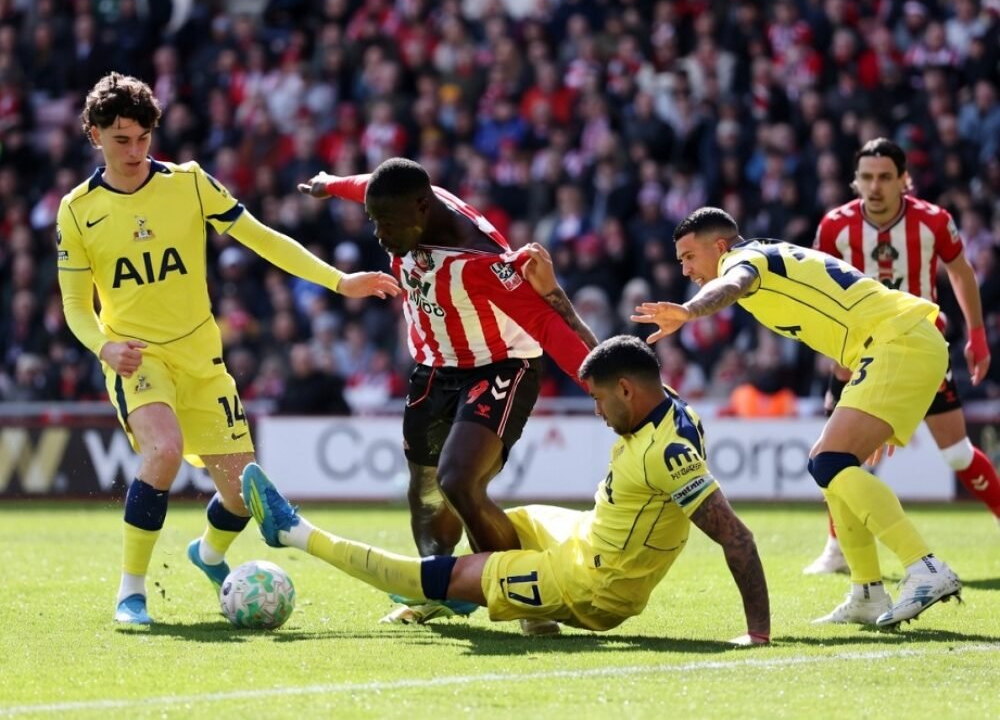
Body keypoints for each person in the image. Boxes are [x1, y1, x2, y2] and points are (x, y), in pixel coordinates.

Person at [56, 73, 400, 625]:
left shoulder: (189, 183)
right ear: (94, 134)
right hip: (139, 359)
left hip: (202, 358)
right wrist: (104, 346)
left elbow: (261, 237)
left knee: (241, 494)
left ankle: (208, 554)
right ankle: (131, 592)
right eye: (120, 139)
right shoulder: (76, 211)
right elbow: (75, 305)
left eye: (143, 137)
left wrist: (341, 281)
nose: (134, 151)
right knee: (163, 451)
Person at [240, 334, 771, 644]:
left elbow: (736, 537)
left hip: (596, 586)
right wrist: (557, 296)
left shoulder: (667, 454)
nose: (596, 411)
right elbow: (611, 355)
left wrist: (758, 636)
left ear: (627, 391)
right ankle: (473, 598)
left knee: (437, 574)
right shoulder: (670, 403)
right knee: (501, 516)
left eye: (598, 400)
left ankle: (294, 533)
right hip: (585, 536)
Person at [298, 159, 597, 630]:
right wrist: (329, 184)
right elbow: (368, 188)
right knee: (426, 492)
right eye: (375, 221)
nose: (379, 235)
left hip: (501, 363)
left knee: (459, 481)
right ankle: (438, 590)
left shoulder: (478, 259)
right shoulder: (411, 200)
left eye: (388, 224)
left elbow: (544, 324)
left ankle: (528, 603)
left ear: (422, 207)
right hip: (435, 366)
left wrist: (598, 384)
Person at [632, 207, 962, 628]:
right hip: (894, 345)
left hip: (897, 343)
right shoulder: (768, 252)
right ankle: (866, 591)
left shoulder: (740, 260)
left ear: (719, 246)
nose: (686, 268)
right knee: (827, 461)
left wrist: (691, 311)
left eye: (689, 256)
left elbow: (735, 282)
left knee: (830, 462)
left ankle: (924, 566)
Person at [805, 137, 1000, 575]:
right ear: (855, 181)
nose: (875, 186)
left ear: (904, 181)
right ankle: (836, 548)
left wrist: (976, 335)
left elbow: (961, 272)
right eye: (867, 177)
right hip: (859, 354)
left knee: (955, 455)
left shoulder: (933, 222)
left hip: (919, 350)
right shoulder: (835, 227)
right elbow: (819, 292)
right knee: (835, 455)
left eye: (885, 177)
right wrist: (834, 348)